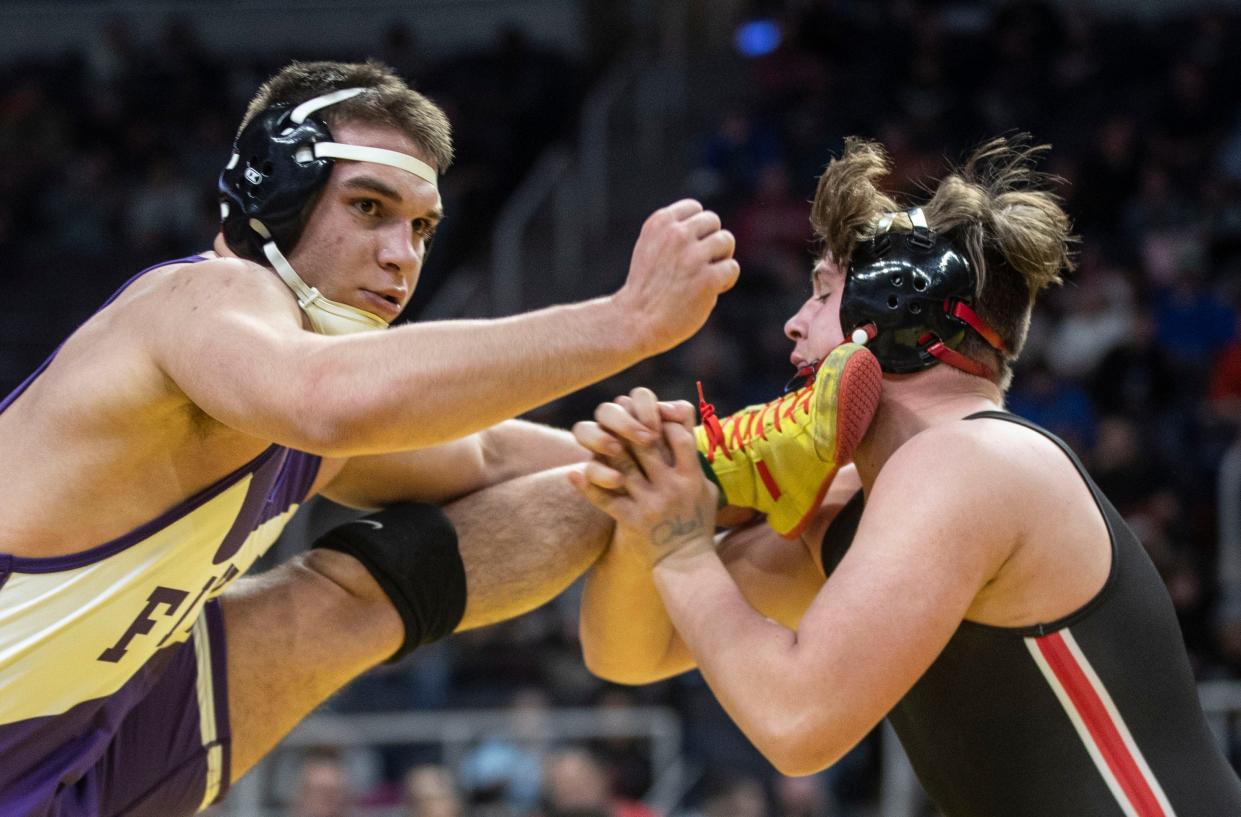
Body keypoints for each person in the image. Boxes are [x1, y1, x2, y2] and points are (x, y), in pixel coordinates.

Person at [0, 60, 739, 816]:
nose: (402, 255)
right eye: (368, 207)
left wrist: (725, 479)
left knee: (563, 509)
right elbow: (326, 398)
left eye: (419, 227)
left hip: (83, 735)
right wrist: (625, 322)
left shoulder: (307, 395)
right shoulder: (198, 300)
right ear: (272, 194)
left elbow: (488, 456)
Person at [570, 137, 1241, 816]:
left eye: (823, 293)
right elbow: (628, 651)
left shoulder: (969, 462)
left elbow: (796, 723)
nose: (791, 324)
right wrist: (648, 505)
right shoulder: (864, 499)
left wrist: (681, 544)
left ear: (893, 309)